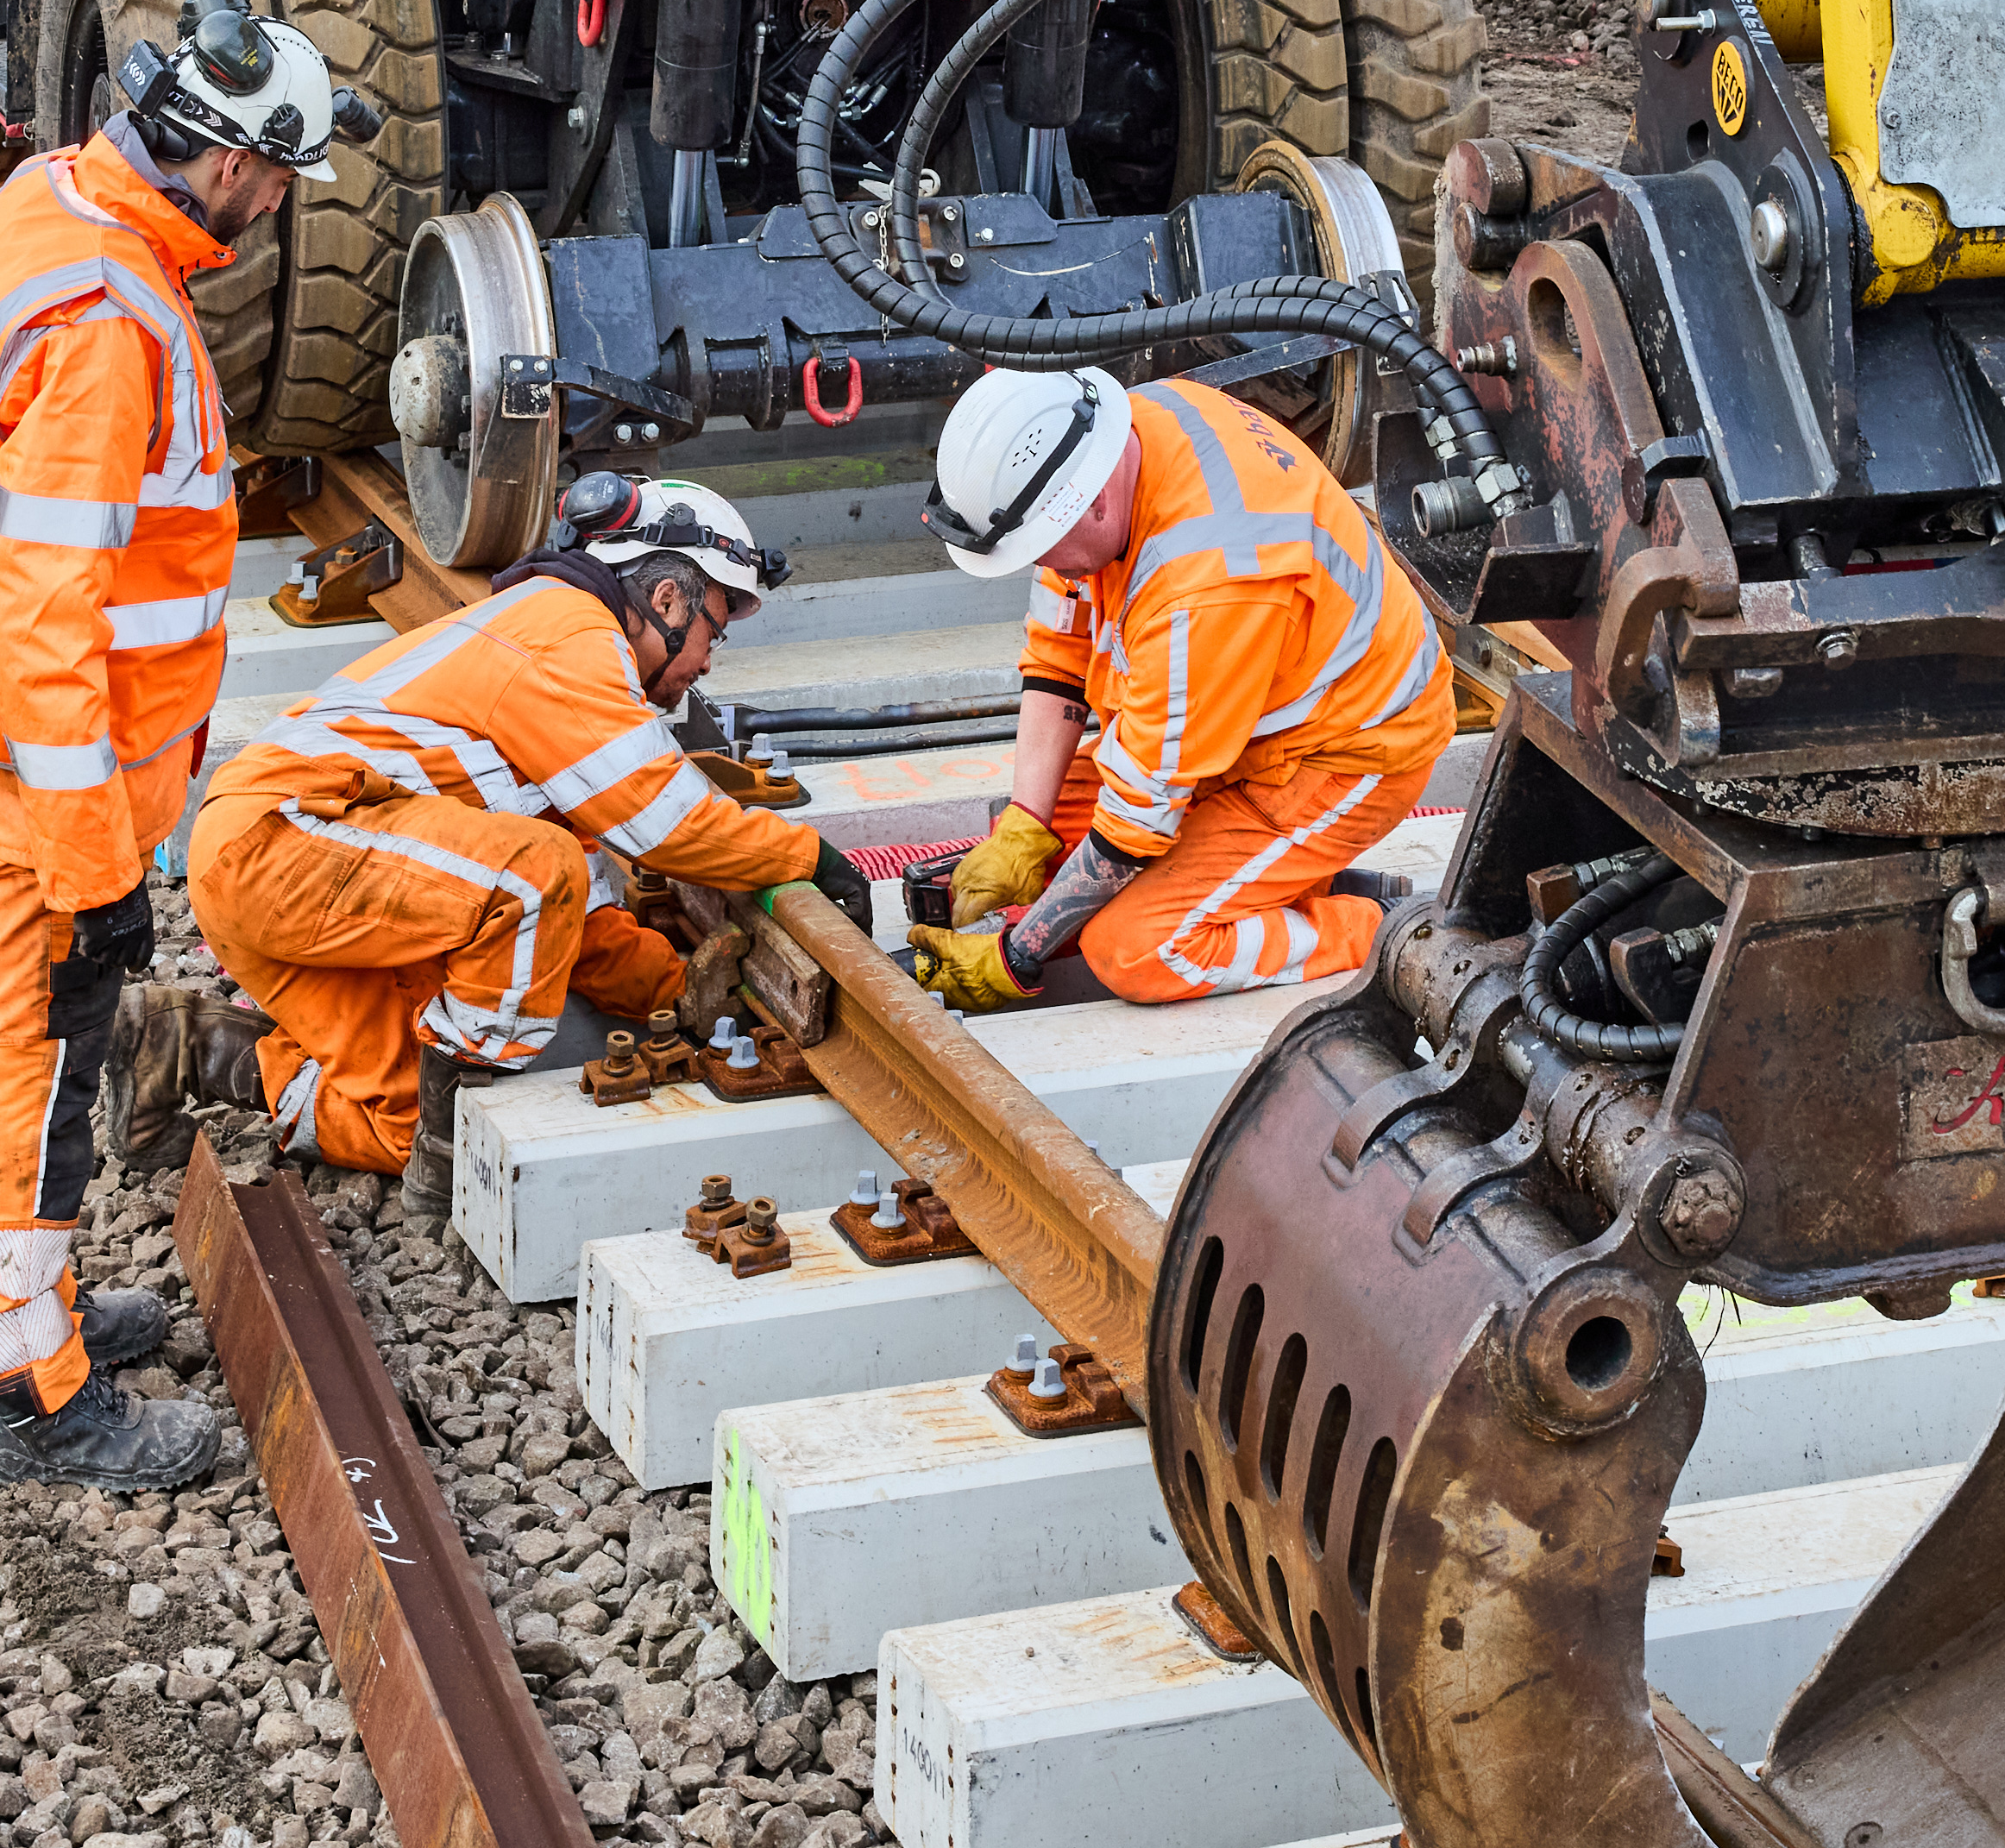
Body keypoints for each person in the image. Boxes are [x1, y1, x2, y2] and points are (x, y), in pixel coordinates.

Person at [0, 0, 372, 1493]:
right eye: (279, 179)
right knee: (39, 1054)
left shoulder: (54, 206)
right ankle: (30, 1393)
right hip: (46, 772)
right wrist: (96, 868)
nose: (279, 205)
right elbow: (50, 619)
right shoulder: (105, 328)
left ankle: (45, 1314)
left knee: (44, 1044)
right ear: (231, 163)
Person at [164, 476, 858, 1213]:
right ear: (668, 601)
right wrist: (810, 858)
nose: (708, 664)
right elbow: (665, 823)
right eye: (714, 632)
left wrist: (679, 992)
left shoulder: (551, 662)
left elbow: (577, 924)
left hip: (292, 864)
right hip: (284, 839)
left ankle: (186, 1047)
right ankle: (449, 1161)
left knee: (402, 1120)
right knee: (533, 875)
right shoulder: (568, 632)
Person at [902, 366, 1445, 1015]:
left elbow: (1134, 824)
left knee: (1133, 948)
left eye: (1040, 551)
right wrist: (1025, 823)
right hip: (1244, 723)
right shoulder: (1110, 441)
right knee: (1048, 849)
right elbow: (1059, 653)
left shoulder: (1206, 585)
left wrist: (1018, 954)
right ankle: (1280, 881)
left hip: (1346, 752)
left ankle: (1382, 929)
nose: (1041, 567)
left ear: (1092, 503)